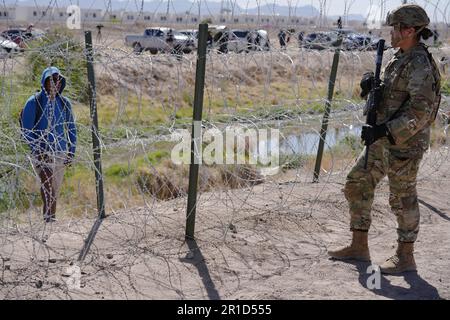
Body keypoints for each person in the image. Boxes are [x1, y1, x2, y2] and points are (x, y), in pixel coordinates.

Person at [328, 4, 441, 274]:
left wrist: (385, 130)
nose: (391, 32)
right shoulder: (399, 56)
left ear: (410, 30)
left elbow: (421, 111)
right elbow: (390, 98)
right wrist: (370, 88)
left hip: (404, 143)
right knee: (357, 182)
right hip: (383, 139)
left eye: (396, 27)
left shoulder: (419, 63)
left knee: (402, 198)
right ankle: (359, 245)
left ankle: (405, 257)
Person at [21, 67, 77, 223]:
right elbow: (26, 130)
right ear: (44, 82)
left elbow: (71, 128)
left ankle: (51, 218)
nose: (55, 84)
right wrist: (37, 150)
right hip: (42, 152)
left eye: (58, 80)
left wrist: (72, 150)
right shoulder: (34, 102)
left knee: (55, 187)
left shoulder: (65, 103)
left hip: (60, 151)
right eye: (51, 80)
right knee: (47, 185)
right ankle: (49, 219)